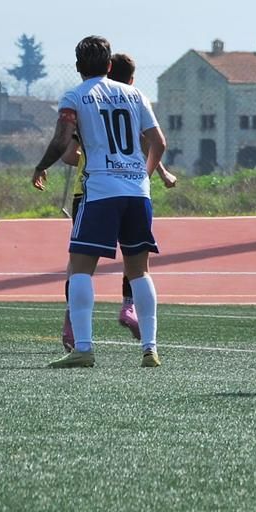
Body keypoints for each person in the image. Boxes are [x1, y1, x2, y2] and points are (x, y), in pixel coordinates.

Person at [32, 35, 166, 369]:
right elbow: (158, 143)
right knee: (139, 271)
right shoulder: (135, 94)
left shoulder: (75, 96)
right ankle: (150, 349)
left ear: (78, 67)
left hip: (100, 192)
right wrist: (144, 176)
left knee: (80, 269)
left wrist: (41, 166)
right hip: (137, 193)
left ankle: (83, 349)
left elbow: (61, 140)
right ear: (109, 64)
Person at [59, 53, 177, 350]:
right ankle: (133, 313)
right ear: (130, 79)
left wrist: (90, 156)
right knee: (137, 260)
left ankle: (74, 325)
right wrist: (155, 173)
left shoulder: (88, 102)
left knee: (80, 263)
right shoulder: (134, 101)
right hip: (133, 189)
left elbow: (69, 153)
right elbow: (152, 144)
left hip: (90, 191)